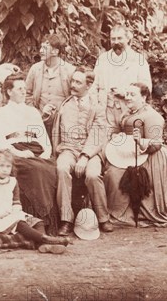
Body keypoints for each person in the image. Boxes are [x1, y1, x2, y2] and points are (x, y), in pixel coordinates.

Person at [103, 83, 167, 227]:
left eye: (132, 95)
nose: (127, 98)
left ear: (144, 97)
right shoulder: (129, 112)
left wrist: (140, 141)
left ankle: (131, 215)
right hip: (130, 153)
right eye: (127, 94)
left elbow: (156, 144)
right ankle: (116, 212)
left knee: (117, 174)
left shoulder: (152, 116)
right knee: (111, 172)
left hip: (151, 157)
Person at [51, 67, 113, 236]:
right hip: (68, 149)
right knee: (62, 168)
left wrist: (85, 156)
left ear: (89, 85)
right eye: (72, 81)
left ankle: (103, 218)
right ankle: (66, 219)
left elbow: (98, 134)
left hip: (90, 152)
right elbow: (55, 129)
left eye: (78, 82)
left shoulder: (97, 107)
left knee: (92, 174)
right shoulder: (64, 105)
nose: (73, 85)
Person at [0, 73, 60, 233]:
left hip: (36, 150)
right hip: (15, 152)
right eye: (19, 89)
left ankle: (48, 222)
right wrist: (18, 153)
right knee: (35, 170)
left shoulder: (32, 112)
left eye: (24, 88)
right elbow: (0, 142)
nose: (24, 92)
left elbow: (44, 139)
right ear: (9, 92)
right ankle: (38, 224)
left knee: (49, 168)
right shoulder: (0, 113)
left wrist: (46, 153)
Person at [0, 150, 71, 254]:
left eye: (8, 166)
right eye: (1, 166)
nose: (5, 169)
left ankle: (44, 245)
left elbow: (16, 202)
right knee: (20, 223)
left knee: (38, 222)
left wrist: (15, 212)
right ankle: (47, 239)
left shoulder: (12, 181)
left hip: (10, 213)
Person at [93, 24, 152, 132]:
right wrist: (96, 107)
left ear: (128, 39)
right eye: (113, 39)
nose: (116, 42)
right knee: (105, 142)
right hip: (106, 111)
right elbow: (93, 85)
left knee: (128, 143)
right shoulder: (103, 59)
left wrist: (125, 93)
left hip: (129, 110)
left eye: (120, 38)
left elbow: (146, 88)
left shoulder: (139, 60)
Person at [24, 33, 75, 133]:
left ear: (55, 51)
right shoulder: (35, 69)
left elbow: (76, 98)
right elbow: (26, 95)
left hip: (63, 123)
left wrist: (64, 113)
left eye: (45, 48)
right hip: (39, 121)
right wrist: (38, 113)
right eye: (41, 47)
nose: (41, 51)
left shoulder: (69, 71)